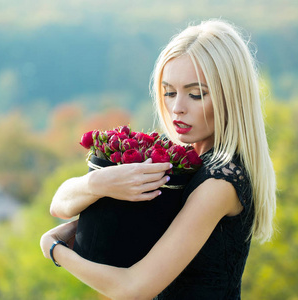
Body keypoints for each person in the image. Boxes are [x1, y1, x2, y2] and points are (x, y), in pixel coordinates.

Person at [40, 19, 276, 299]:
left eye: (196, 94)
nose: (177, 108)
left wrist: (55, 249)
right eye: (169, 92)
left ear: (231, 97)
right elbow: (60, 205)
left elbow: (132, 287)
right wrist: (100, 183)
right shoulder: (182, 162)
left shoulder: (220, 181)